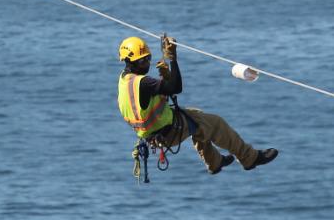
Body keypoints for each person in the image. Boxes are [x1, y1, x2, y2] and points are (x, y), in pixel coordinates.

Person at [117, 33, 278, 175]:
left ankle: (214, 162)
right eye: (142, 61)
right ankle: (249, 158)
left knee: (198, 117)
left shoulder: (125, 80)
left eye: (148, 58)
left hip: (155, 133)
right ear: (129, 61)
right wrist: (173, 59)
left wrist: (166, 79)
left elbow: (153, 97)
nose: (146, 63)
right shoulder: (143, 83)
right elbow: (176, 87)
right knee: (215, 123)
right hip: (168, 131)